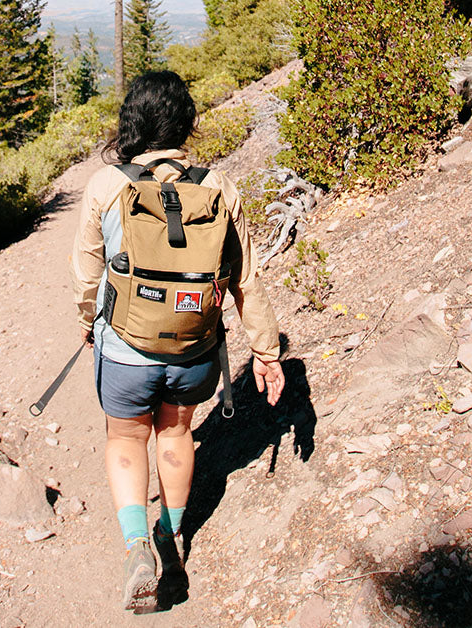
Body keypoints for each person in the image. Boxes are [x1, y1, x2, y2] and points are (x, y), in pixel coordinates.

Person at [70, 70, 286, 611]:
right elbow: (246, 278)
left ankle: (136, 545)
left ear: (133, 123)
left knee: (125, 438)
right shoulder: (218, 186)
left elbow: (86, 274)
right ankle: (172, 535)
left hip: (125, 345)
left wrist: (86, 323)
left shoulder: (106, 185)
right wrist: (267, 352)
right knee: (176, 436)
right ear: (188, 121)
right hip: (193, 347)